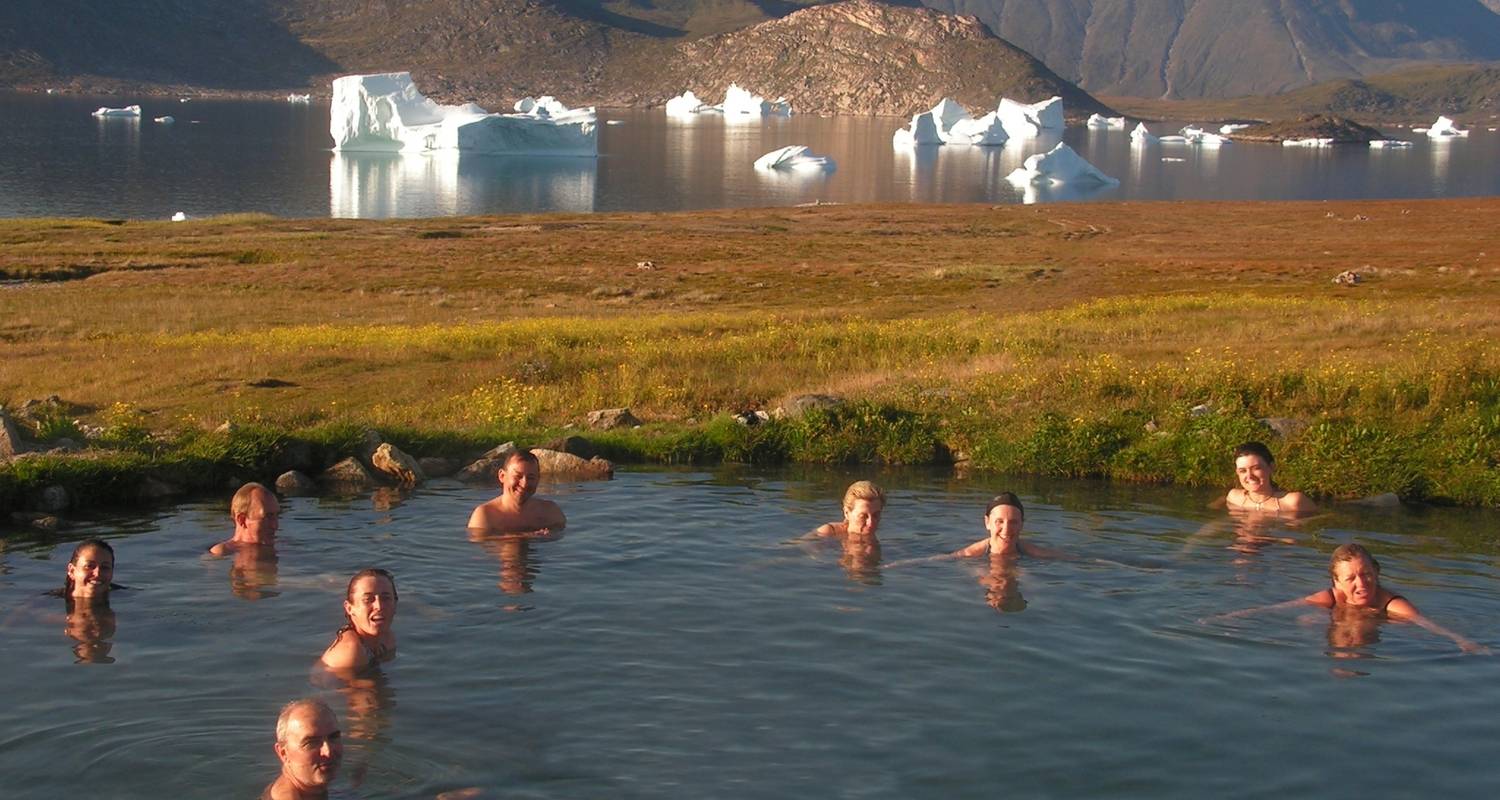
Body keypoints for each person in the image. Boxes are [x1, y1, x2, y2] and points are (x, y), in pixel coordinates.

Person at [1211, 543, 1486, 654]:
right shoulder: (1331, 597)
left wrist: (1462, 641)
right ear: (1337, 582)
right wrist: (1232, 617)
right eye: (1351, 578)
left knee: (1359, 630)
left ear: (1377, 572)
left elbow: (1428, 624)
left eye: (1366, 574)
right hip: (1338, 626)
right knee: (1305, 619)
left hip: (1378, 630)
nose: (1361, 583)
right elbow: (1277, 608)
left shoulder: (1391, 604)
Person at [467, 450, 566, 535]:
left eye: (531, 478)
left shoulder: (550, 512)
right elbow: (478, 550)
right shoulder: (486, 515)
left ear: (538, 479)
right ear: (502, 476)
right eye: (518, 476)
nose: (524, 484)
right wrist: (524, 537)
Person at [262, 698, 343, 800]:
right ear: (284, 753)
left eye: (333, 737)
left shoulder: (309, 789)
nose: (328, 752)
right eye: (311, 743)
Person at [320, 569, 398, 672]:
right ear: (349, 608)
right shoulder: (351, 650)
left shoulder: (387, 637)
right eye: (367, 600)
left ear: (395, 604)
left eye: (386, 598)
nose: (379, 606)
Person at [1225, 441, 1315, 514]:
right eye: (1243, 471)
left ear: (1271, 467)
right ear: (1237, 473)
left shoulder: (1293, 502)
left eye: (1256, 468)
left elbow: (1323, 517)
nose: (1249, 476)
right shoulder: (1234, 497)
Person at [209, 482, 281, 555]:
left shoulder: (281, 546)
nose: (275, 526)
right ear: (242, 520)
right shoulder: (222, 552)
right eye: (268, 516)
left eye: (276, 516)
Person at [813, 480, 885, 540]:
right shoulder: (828, 533)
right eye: (863, 516)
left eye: (876, 515)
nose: (871, 523)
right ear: (846, 513)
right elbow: (803, 550)